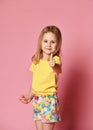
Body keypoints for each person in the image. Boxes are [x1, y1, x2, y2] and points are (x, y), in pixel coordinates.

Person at [20, 25, 62, 130]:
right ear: (41, 42)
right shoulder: (37, 60)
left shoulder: (56, 60)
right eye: (46, 41)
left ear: (57, 45)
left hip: (49, 100)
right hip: (37, 99)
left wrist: (54, 65)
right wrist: (29, 96)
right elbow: (35, 82)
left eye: (53, 42)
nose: (48, 44)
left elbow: (57, 69)